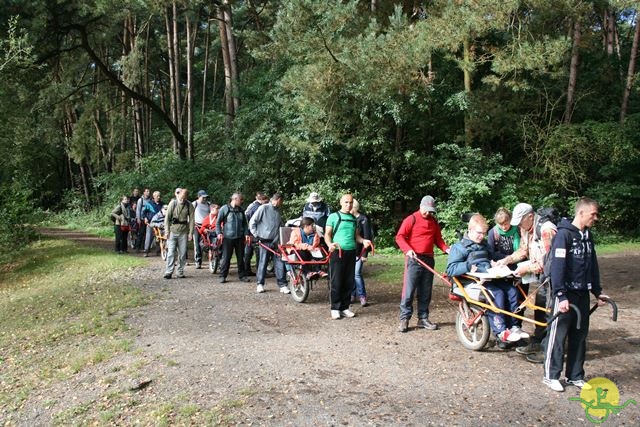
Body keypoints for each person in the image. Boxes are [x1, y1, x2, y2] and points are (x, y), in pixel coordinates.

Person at [543, 197, 609, 392]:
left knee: (579, 335)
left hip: (582, 294)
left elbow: (592, 265)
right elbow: (557, 268)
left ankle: (575, 376)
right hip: (566, 295)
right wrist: (561, 295)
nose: (596, 218)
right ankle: (551, 375)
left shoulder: (587, 236)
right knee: (558, 335)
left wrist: (597, 291)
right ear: (581, 213)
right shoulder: (563, 235)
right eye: (593, 214)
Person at [447, 214, 522, 344]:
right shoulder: (459, 248)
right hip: (470, 282)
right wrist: (467, 266)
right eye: (479, 233)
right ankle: (501, 330)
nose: (482, 236)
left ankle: (514, 326)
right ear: (470, 230)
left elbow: (493, 255)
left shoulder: (484, 244)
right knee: (496, 294)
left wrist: (503, 261)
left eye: (484, 233)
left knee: (512, 292)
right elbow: (451, 269)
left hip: (489, 278)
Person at [499, 203, 557, 363]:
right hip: (542, 278)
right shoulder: (525, 228)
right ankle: (537, 342)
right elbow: (524, 250)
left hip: (554, 278)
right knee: (540, 309)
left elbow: (548, 263)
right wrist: (507, 260)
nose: (518, 226)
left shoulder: (547, 230)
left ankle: (548, 351)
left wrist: (526, 268)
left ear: (530, 217)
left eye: (520, 222)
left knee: (550, 311)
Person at [395, 196, 449, 332]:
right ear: (421, 206)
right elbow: (400, 237)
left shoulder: (433, 222)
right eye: (426, 210)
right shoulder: (411, 219)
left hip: (429, 259)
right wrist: (408, 250)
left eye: (431, 211)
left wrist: (448, 249)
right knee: (409, 290)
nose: (428, 213)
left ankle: (423, 318)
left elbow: (439, 240)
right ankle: (404, 318)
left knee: (425, 291)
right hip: (414, 259)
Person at [324, 193, 372, 320]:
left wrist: (364, 241)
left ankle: (345, 307)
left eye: (350, 202)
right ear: (341, 203)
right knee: (336, 280)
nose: (348, 205)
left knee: (349, 281)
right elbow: (327, 234)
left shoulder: (353, 219)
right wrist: (330, 244)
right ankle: (335, 308)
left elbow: (357, 236)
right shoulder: (333, 217)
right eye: (346, 202)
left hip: (351, 252)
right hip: (338, 252)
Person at [486, 207, 526, 348]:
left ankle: (516, 327)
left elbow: (522, 250)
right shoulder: (493, 233)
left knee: (518, 299)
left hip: (517, 270)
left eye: (506, 223)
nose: (504, 226)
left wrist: (512, 261)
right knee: (501, 298)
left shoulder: (517, 231)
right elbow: (491, 253)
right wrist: (505, 260)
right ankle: (502, 334)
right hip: (500, 270)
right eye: (501, 224)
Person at [249, 193, 289, 294]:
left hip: (276, 242)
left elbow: (280, 225)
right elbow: (252, 222)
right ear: (278, 199)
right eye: (281, 201)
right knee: (263, 262)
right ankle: (260, 284)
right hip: (264, 240)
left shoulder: (278, 211)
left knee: (280, 262)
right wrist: (256, 235)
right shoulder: (263, 208)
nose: (282, 203)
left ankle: (283, 285)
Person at [216, 192, 250, 283]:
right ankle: (222, 275)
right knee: (226, 257)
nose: (242, 201)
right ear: (235, 199)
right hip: (228, 237)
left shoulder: (241, 210)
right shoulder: (224, 209)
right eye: (240, 199)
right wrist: (219, 233)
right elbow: (218, 222)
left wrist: (246, 234)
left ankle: (242, 276)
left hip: (240, 237)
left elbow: (245, 224)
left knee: (240, 257)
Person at [163, 188, 195, 279]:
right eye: (181, 198)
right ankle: (168, 271)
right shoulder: (172, 203)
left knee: (182, 253)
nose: (182, 200)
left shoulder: (189, 205)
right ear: (178, 195)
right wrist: (167, 231)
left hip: (184, 232)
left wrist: (190, 233)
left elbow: (192, 219)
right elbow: (167, 218)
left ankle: (180, 271)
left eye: (184, 198)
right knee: (170, 252)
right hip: (173, 231)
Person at [351, 199, 373, 307]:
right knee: (351, 274)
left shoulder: (363, 219)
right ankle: (352, 294)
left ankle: (362, 296)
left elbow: (367, 237)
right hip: (350, 251)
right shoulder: (348, 219)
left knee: (357, 274)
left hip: (360, 251)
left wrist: (365, 254)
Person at [244, 192, 269, 276]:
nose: (267, 203)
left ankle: (246, 270)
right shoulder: (258, 208)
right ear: (261, 200)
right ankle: (260, 272)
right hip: (254, 232)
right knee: (258, 252)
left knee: (248, 252)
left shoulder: (251, 205)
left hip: (248, 232)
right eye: (266, 201)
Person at [192, 190, 211, 269]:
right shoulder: (194, 204)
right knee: (197, 244)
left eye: (205, 197)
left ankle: (212, 259)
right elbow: (190, 214)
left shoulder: (208, 204)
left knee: (209, 242)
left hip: (206, 226)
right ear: (199, 196)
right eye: (203, 197)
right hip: (197, 226)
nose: (204, 199)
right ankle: (198, 261)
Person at [142, 191, 164, 257]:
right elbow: (144, 212)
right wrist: (145, 218)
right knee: (149, 237)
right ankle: (146, 251)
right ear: (154, 196)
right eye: (157, 196)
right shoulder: (149, 204)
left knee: (160, 237)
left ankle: (159, 251)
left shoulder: (162, 204)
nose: (159, 197)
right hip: (151, 223)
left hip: (160, 223)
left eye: (159, 196)